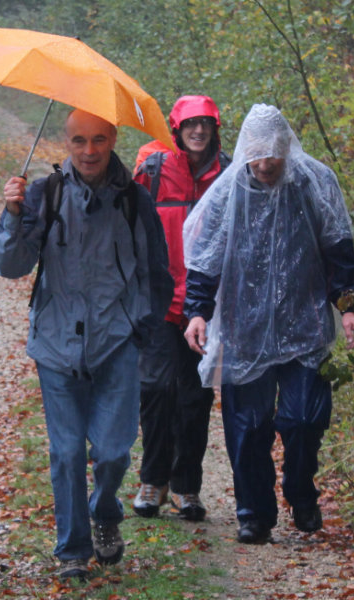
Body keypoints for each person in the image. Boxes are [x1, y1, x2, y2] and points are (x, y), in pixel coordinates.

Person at [0, 109, 173, 579]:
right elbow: (11, 266)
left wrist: (146, 336)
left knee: (113, 451)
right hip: (56, 343)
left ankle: (105, 511)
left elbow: (157, 274)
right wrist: (12, 215)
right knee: (67, 451)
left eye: (98, 139)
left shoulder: (135, 200)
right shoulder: (43, 194)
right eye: (78, 141)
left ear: (113, 138)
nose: (88, 150)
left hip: (117, 341)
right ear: (65, 142)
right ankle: (72, 549)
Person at [182, 104, 354, 544]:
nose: (264, 164)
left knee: (304, 418)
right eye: (256, 154)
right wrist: (198, 312)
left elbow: (339, 247)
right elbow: (205, 259)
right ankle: (254, 514)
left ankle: (301, 491)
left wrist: (349, 306)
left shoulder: (314, 183)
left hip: (303, 323)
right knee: (248, 427)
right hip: (244, 328)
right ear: (246, 150)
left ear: (287, 147)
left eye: (273, 154)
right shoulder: (229, 193)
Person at [130, 95, 231, 522]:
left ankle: (187, 487)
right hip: (158, 303)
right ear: (176, 129)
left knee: (196, 397)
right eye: (190, 124)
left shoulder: (228, 175)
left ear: (214, 128)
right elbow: (127, 225)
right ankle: (152, 481)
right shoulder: (152, 172)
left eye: (205, 124)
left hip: (206, 310)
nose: (198, 131)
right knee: (154, 390)